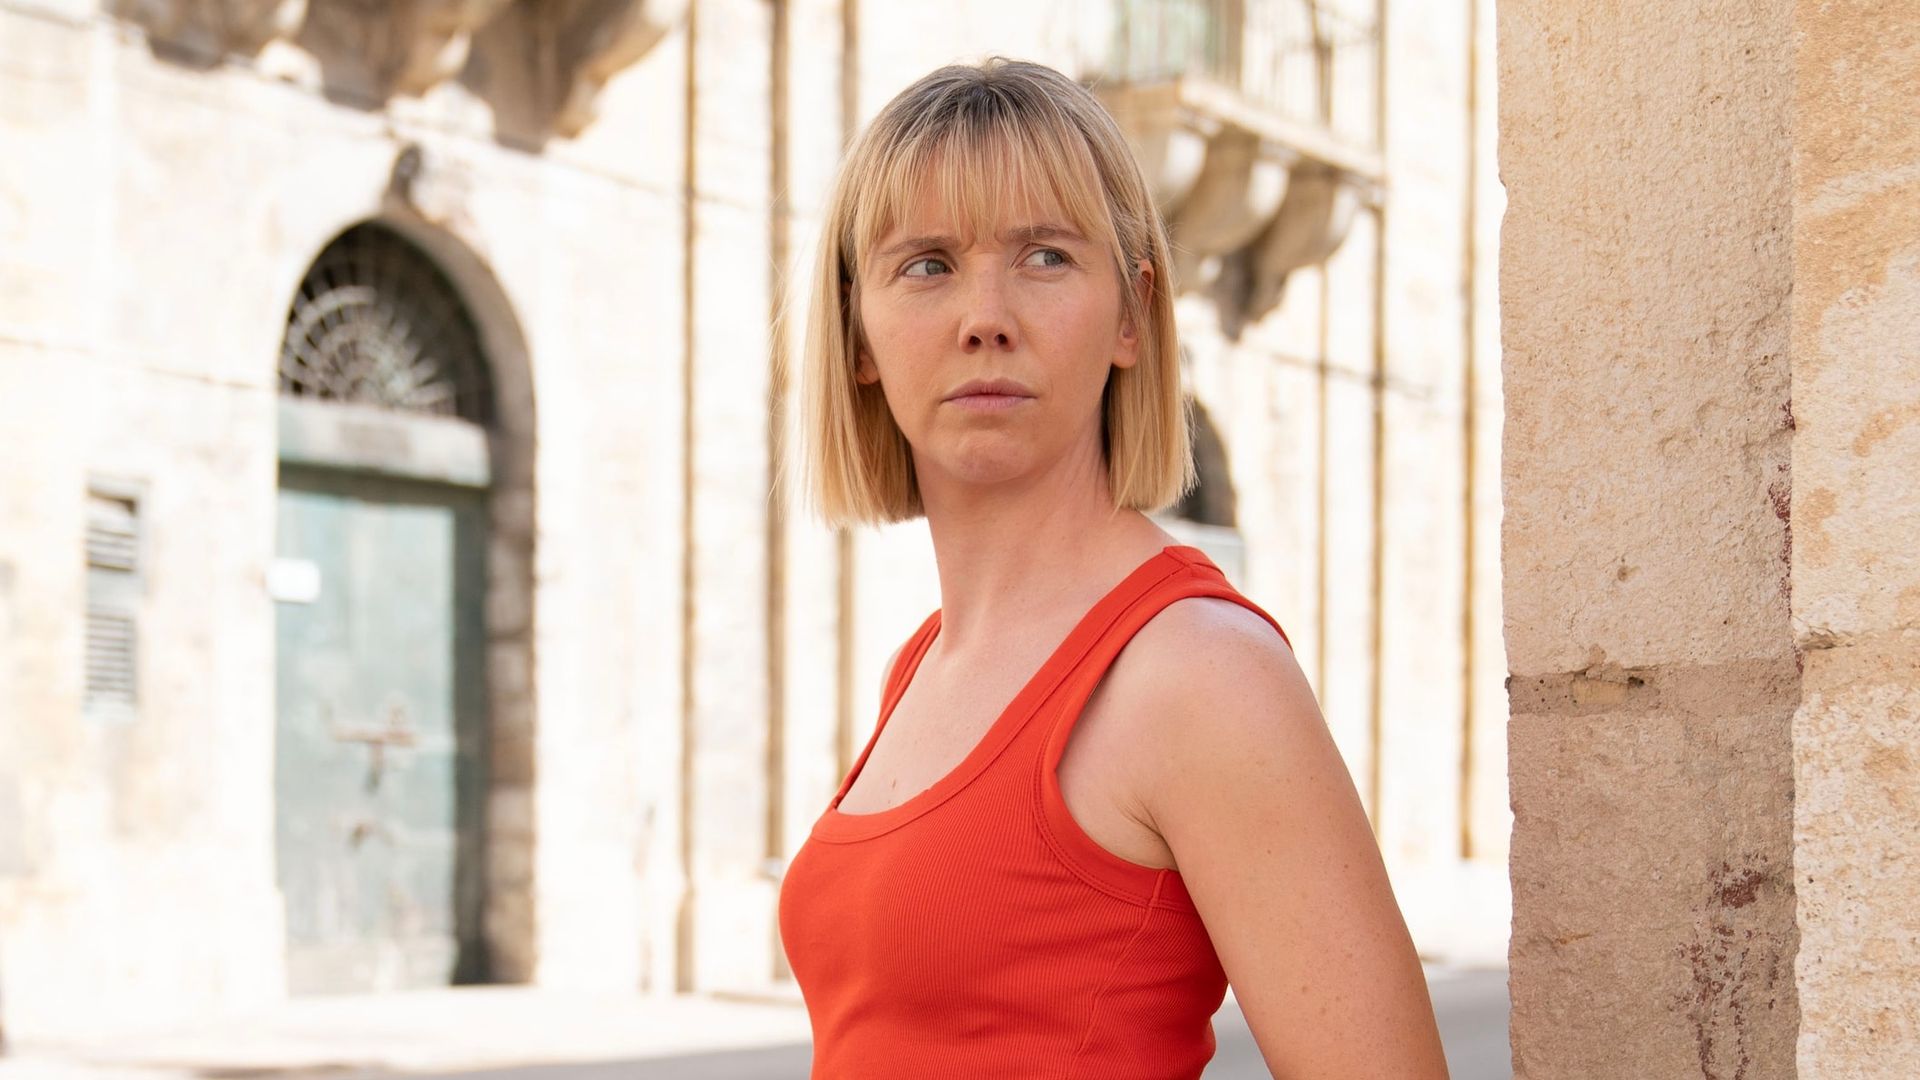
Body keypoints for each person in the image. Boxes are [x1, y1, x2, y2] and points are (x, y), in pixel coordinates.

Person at [776, 57, 1448, 1079]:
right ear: (857, 330)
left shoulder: (1199, 673)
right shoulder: (923, 666)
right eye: (925, 265)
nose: (984, 316)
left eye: (1044, 256)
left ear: (1131, 315)